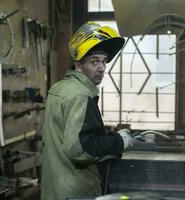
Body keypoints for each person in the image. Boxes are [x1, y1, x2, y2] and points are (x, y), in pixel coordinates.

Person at [40, 22, 136, 200]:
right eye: (94, 62)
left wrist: (113, 138)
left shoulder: (59, 88)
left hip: (54, 189)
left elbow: (70, 136)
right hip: (76, 191)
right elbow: (80, 149)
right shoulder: (80, 96)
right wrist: (119, 142)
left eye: (104, 61)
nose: (101, 68)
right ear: (78, 65)